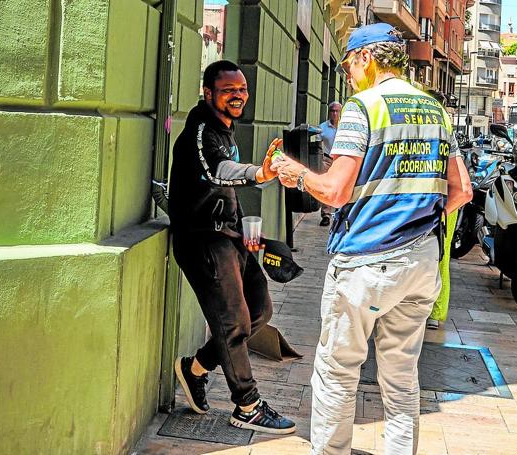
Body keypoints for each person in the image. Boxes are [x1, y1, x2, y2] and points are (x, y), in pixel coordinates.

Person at [273, 23, 472, 455]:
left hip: (366, 260)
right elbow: (461, 191)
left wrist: (296, 173)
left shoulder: (362, 107)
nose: (347, 73)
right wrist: (413, 214)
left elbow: (335, 191)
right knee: (401, 381)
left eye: (348, 64)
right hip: (421, 263)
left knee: (337, 372)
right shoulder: (436, 110)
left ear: (366, 58)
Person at [168, 60, 296, 435]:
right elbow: (218, 172)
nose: (238, 95)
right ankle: (247, 405)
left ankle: (194, 370)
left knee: (260, 309)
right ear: (209, 93)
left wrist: (247, 231)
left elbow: (221, 191)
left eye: (242, 89)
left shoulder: (226, 127)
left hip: (230, 236)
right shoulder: (201, 130)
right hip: (203, 240)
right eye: (229, 90)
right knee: (233, 322)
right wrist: (260, 173)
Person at [318, 101, 342, 226]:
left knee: (340, 186)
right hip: (326, 159)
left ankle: (340, 212)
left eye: (337, 111)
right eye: (332, 111)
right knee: (326, 186)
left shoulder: (345, 127)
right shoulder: (322, 127)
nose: (334, 113)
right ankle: (326, 215)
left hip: (341, 160)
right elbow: (316, 143)